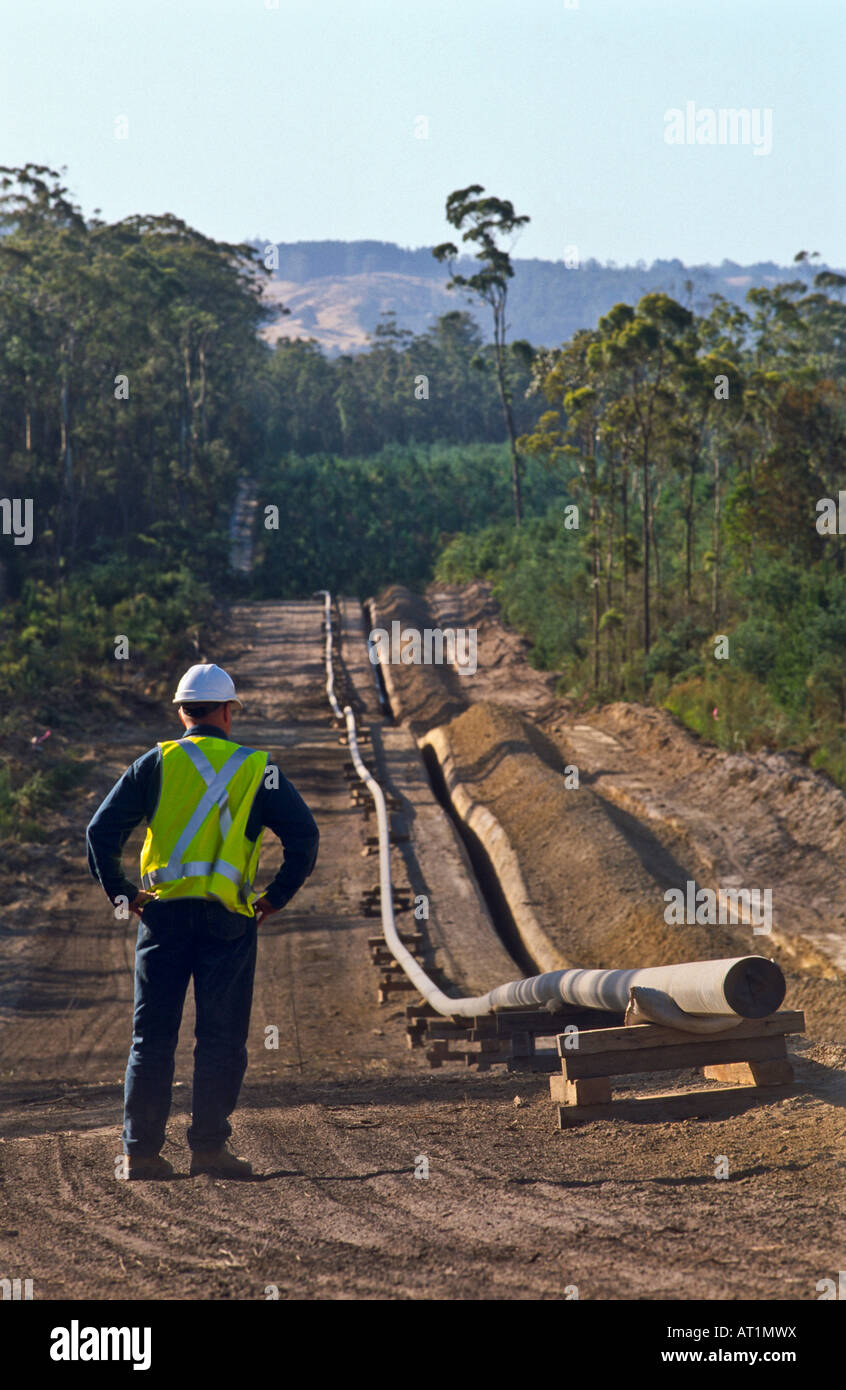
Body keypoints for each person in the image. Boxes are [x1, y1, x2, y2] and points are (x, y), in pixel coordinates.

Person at [86, 662, 319, 1180]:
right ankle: (209, 1150)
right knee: (220, 1038)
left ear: (180, 712)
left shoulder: (155, 763)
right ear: (228, 713)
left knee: (152, 1037)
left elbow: (100, 831)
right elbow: (305, 838)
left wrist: (124, 897)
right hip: (230, 922)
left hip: (162, 918)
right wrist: (273, 899)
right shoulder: (260, 768)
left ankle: (141, 1154)